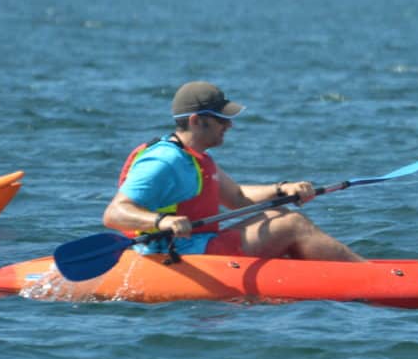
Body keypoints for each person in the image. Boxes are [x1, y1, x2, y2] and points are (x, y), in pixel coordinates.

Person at [102, 81, 364, 262]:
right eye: (221, 119)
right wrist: (162, 222)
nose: (229, 125)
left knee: (279, 213)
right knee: (291, 223)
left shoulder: (196, 157)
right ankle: (367, 276)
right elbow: (114, 213)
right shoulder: (164, 161)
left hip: (199, 246)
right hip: (178, 253)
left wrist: (283, 189)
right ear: (196, 121)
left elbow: (237, 197)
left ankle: (330, 273)